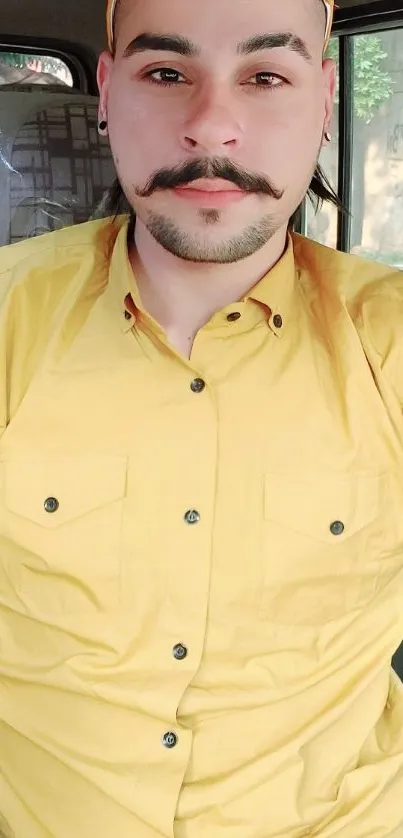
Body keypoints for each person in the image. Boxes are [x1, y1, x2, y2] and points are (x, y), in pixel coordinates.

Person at [1, 0, 403, 835]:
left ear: (325, 99)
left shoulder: (387, 338)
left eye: (264, 77)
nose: (213, 128)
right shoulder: (9, 315)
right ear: (107, 92)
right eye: (166, 74)